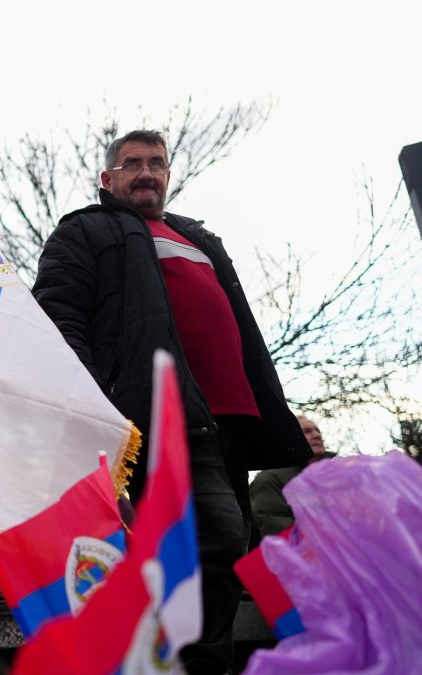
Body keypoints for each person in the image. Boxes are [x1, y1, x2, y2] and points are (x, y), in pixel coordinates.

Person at [31, 129, 311, 673]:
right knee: (220, 538)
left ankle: (192, 662)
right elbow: (59, 315)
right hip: (158, 414)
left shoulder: (199, 238)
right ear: (107, 179)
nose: (146, 172)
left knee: (228, 548)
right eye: (132, 163)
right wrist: (94, 402)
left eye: (156, 163)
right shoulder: (87, 230)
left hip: (230, 420)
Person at [251, 415, 336, 537]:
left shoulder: (338, 474)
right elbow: (275, 524)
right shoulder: (270, 479)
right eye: (307, 431)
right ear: (290, 439)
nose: (317, 435)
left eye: (317, 430)